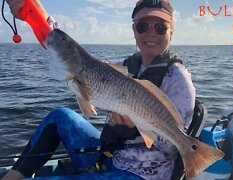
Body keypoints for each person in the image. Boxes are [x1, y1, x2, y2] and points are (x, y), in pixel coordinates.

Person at [2, 0, 195, 179]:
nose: (151, 33)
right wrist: (33, 12)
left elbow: (172, 148)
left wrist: (138, 124)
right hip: (111, 156)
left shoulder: (178, 79)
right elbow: (77, 58)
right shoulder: (127, 65)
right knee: (59, 116)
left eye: (160, 27)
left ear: (172, 32)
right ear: (134, 29)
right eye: (143, 26)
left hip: (144, 174)